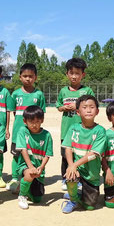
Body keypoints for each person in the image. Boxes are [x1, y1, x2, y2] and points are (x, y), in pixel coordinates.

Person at [61, 95, 106, 214]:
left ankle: (78, 193)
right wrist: (71, 166)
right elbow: (68, 148)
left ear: (97, 111)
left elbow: (93, 154)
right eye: (84, 107)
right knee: (70, 175)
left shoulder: (100, 131)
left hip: (92, 175)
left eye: (92, 107)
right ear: (78, 112)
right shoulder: (73, 128)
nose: (88, 110)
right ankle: (73, 200)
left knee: (90, 206)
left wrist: (74, 165)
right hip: (78, 170)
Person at [56, 58, 94, 190]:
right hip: (66, 130)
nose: (74, 76)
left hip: (83, 130)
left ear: (83, 75)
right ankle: (65, 178)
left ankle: (80, 179)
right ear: (67, 74)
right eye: (71, 73)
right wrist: (63, 108)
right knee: (65, 156)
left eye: (77, 73)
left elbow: (92, 106)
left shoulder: (87, 91)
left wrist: (77, 106)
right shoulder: (63, 91)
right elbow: (58, 106)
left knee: (80, 155)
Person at [8, 63, 46, 193]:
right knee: (16, 155)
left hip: (33, 133)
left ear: (35, 77)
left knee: (31, 154)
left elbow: (41, 114)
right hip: (18, 131)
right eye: (25, 76)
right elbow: (14, 112)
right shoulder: (15, 94)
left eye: (31, 76)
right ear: (20, 77)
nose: (28, 79)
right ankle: (14, 178)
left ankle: (30, 175)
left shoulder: (39, 94)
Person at [15, 106, 53, 210]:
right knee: (29, 173)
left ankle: (23, 186)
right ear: (25, 121)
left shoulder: (47, 135)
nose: (34, 125)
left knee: (37, 199)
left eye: (37, 121)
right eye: (31, 122)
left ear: (42, 120)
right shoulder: (23, 131)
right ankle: (22, 195)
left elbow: (47, 154)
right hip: (25, 165)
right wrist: (31, 166)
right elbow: (23, 150)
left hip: (39, 167)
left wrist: (41, 167)